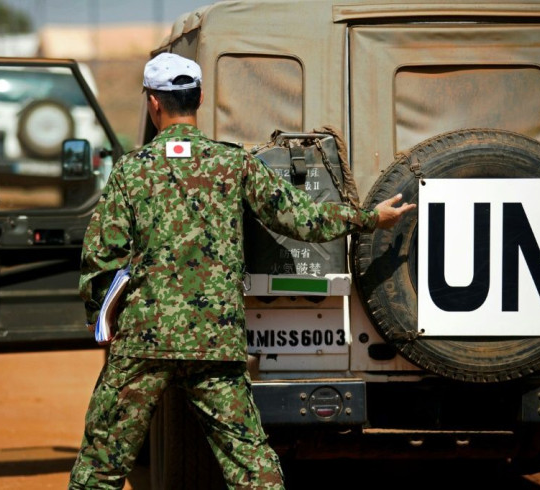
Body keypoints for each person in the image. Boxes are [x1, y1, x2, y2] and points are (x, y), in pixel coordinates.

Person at [68, 52, 415, 489]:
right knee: (250, 464)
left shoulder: (130, 171)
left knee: (101, 463)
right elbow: (301, 219)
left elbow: (101, 256)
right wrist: (368, 218)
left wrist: (104, 317)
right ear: (198, 100)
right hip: (215, 340)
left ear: (154, 103)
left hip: (144, 340)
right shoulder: (234, 164)